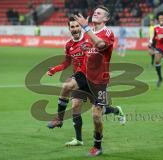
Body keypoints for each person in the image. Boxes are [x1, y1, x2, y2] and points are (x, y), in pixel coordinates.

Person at [47, 16, 126, 147]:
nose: (75, 29)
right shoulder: (69, 45)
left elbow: (101, 51)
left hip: (94, 79)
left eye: (77, 26)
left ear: (81, 27)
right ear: (69, 29)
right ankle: (78, 139)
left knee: (100, 111)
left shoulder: (89, 39)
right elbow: (67, 62)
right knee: (75, 107)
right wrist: (54, 70)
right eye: (72, 27)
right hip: (79, 77)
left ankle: (117, 111)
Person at [74, 5, 116, 156]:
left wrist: (85, 27)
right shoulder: (86, 33)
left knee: (96, 116)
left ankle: (97, 146)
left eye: (99, 13)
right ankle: (77, 137)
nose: (95, 14)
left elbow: (100, 45)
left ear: (106, 18)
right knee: (76, 104)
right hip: (85, 77)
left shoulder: (107, 32)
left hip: (100, 81)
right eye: (94, 13)